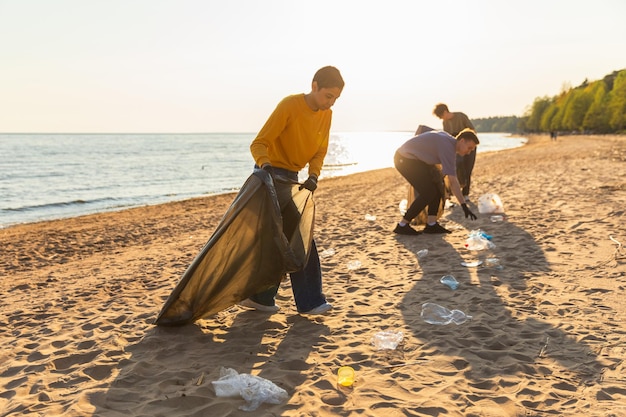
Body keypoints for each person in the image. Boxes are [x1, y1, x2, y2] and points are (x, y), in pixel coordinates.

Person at [239, 66, 344, 315]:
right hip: (269, 176)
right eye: (328, 96)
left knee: (287, 237)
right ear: (314, 85)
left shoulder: (326, 115)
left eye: (336, 99)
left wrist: (314, 175)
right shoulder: (290, 105)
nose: (330, 103)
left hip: (293, 179)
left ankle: (261, 298)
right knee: (295, 236)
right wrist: (265, 167)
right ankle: (309, 302)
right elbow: (259, 143)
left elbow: (320, 149)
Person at [393, 128, 479, 235]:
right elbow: (453, 181)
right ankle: (402, 225)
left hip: (415, 160)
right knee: (428, 193)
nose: (469, 152)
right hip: (404, 159)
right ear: (462, 141)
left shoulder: (449, 142)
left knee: (438, 187)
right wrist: (464, 205)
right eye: (469, 148)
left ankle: (431, 225)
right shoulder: (448, 148)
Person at [433, 103, 476, 201]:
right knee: (453, 169)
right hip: (456, 147)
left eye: (441, 116)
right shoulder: (445, 123)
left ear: (445, 111)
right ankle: (450, 194)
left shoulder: (461, 116)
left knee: (468, 170)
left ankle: (465, 194)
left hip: (468, 145)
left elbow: (472, 130)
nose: (441, 119)